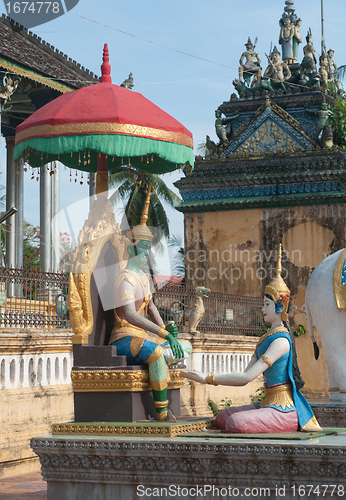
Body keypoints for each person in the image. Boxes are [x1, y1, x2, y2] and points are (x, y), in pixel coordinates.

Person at [181, 245, 322, 433]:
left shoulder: (281, 341)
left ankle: (286, 421)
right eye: (262, 304)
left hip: (283, 409)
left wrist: (207, 379)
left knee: (235, 423)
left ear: (280, 306)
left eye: (267, 304)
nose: (263, 309)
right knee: (223, 417)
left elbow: (248, 377)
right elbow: (243, 377)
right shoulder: (266, 339)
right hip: (268, 403)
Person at [109, 186, 192, 421]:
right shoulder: (125, 278)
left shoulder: (144, 278)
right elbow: (131, 315)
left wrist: (168, 332)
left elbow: (152, 307)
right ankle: (162, 412)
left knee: (185, 347)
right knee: (157, 354)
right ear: (131, 247)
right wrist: (162, 334)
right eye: (142, 248)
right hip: (124, 336)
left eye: (148, 249)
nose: (146, 254)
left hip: (143, 336)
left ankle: (161, 367)